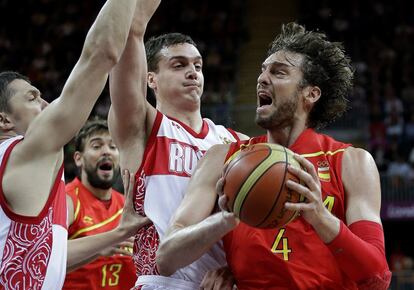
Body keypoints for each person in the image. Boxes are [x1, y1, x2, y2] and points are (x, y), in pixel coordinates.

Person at [157, 22, 392, 290]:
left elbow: (377, 278)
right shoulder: (224, 158)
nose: (262, 78)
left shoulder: (350, 161)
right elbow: (167, 257)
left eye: (279, 72)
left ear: (311, 94)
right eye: (262, 70)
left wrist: (320, 217)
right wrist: (225, 219)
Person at [0, 0, 150, 288]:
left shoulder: (26, 172)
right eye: (32, 98)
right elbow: (102, 53)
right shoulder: (26, 153)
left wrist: (119, 233)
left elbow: (52, 256)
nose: (45, 103)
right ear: (4, 120)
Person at [108, 1, 248, 289]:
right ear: (151, 79)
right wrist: (134, 28)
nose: (193, 72)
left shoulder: (236, 141)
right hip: (162, 281)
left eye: (197, 65)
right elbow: (122, 62)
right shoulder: (145, 127)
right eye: (179, 65)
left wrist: (234, 271)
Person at [63, 119, 136, 289]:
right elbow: (45, 255)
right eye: (96, 146)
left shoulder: (129, 205)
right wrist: (101, 245)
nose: (107, 152)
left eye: (113, 146)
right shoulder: (68, 200)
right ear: (78, 158)